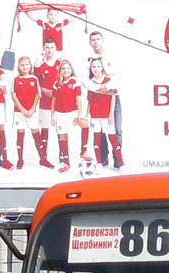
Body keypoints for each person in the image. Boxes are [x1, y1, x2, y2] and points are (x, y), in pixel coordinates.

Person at [84, 31, 121, 166]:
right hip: (97, 98)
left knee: (116, 129)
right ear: (90, 43)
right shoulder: (88, 60)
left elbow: (118, 76)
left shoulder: (111, 57)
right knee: (100, 133)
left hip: (112, 97)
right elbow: (85, 80)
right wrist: (99, 88)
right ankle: (103, 161)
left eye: (98, 39)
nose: (96, 42)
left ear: (102, 40)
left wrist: (107, 86)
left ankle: (118, 162)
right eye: (93, 40)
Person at [51, 59, 87, 173]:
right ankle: (66, 163)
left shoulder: (75, 81)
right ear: (60, 71)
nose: (66, 71)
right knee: (63, 137)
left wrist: (80, 113)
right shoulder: (57, 84)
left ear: (71, 69)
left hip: (72, 112)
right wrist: (52, 116)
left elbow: (78, 98)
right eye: (63, 69)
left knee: (85, 125)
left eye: (68, 68)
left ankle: (83, 151)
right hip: (60, 113)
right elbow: (53, 101)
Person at [10, 56, 46, 169]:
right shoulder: (16, 79)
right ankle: (20, 159)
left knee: (36, 133)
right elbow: (13, 95)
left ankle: (43, 159)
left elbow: (38, 94)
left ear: (30, 65)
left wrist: (32, 108)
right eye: (22, 65)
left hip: (32, 111)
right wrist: (22, 109)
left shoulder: (34, 79)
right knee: (20, 134)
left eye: (27, 64)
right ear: (19, 67)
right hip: (19, 112)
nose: (25, 67)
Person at [34, 38, 61, 168]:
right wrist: (44, 89)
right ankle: (43, 158)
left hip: (59, 102)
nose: (49, 50)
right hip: (45, 101)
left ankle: (63, 157)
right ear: (44, 48)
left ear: (55, 48)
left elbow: (69, 78)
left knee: (62, 129)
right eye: (47, 47)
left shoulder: (60, 64)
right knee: (45, 128)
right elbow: (34, 82)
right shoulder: (40, 66)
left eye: (52, 47)